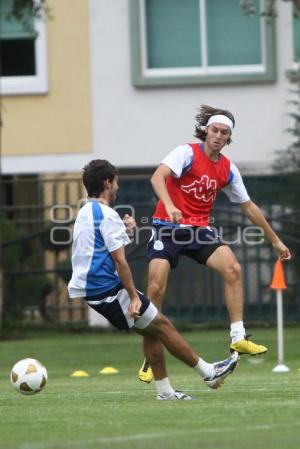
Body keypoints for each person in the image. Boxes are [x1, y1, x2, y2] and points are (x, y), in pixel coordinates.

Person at [138, 104, 291, 383]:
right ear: (206, 131)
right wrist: (170, 205)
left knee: (233, 268)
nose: (218, 136)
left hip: (198, 231)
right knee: (155, 289)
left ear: (229, 137)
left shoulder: (228, 169)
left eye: (224, 132)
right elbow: (157, 177)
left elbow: (249, 207)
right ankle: (152, 355)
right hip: (166, 227)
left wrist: (276, 241)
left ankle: (238, 337)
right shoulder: (186, 152)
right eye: (215, 130)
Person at [67, 159, 239, 400]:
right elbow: (120, 261)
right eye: (115, 183)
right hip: (106, 290)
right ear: (107, 183)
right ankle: (208, 372)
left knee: (151, 329)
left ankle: (165, 391)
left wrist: (124, 230)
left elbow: (96, 247)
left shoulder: (86, 211)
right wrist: (135, 297)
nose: (117, 188)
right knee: (162, 325)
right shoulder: (107, 214)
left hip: (93, 289)